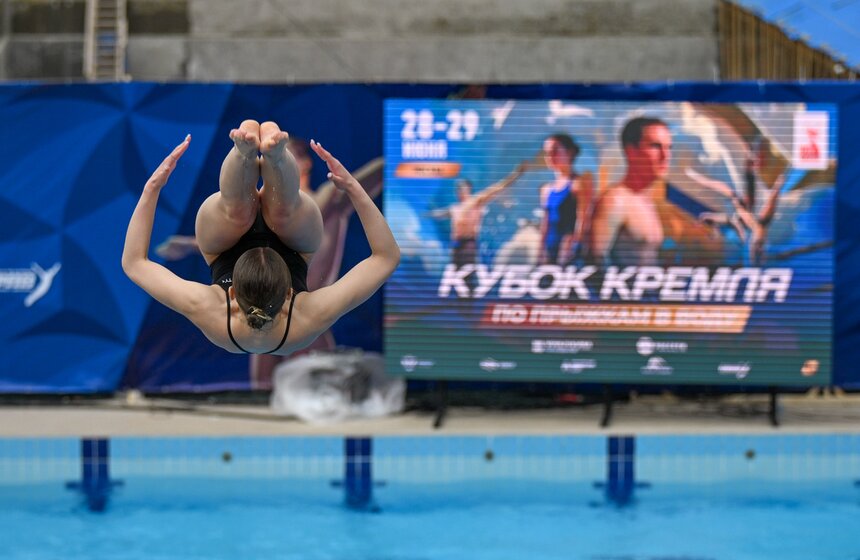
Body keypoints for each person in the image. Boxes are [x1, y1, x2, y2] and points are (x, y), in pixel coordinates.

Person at [122, 120, 400, 356]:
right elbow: (384, 258)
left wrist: (151, 189)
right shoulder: (304, 319)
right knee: (282, 209)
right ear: (290, 295)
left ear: (231, 294)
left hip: (226, 244)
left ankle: (248, 154)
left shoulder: (212, 312)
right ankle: (272, 157)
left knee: (237, 210)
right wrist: (152, 189)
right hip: (291, 240)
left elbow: (135, 263)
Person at [590, 117, 669, 266]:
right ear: (631, 151)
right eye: (655, 146)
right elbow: (595, 264)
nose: (665, 156)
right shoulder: (615, 200)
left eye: (668, 147)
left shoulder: (646, 200)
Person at [427, 163, 528, 269]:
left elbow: (498, 187)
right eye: (458, 189)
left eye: (462, 188)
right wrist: (426, 214)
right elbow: (439, 214)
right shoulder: (455, 208)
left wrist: (516, 174)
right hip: (456, 245)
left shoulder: (476, 201)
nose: (460, 191)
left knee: (468, 272)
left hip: (469, 244)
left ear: (468, 189)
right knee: (455, 272)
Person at [537, 133, 592, 265]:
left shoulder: (579, 183)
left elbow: (584, 217)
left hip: (568, 246)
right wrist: (541, 250)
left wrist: (575, 243)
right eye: (547, 153)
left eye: (555, 151)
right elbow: (545, 223)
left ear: (570, 152)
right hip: (551, 245)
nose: (551, 156)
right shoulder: (546, 189)